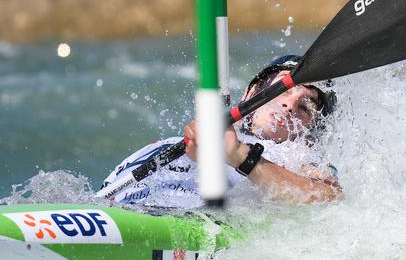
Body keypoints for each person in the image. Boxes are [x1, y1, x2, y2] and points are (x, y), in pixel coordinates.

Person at [101, 55, 342, 207]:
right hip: (115, 207)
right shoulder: (203, 131)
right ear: (250, 93)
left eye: (304, 108)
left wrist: (240, 156)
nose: (289, 105)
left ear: (310, 132)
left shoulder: (299, 158)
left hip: (184, 221)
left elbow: (331, 198)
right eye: (283, 88)